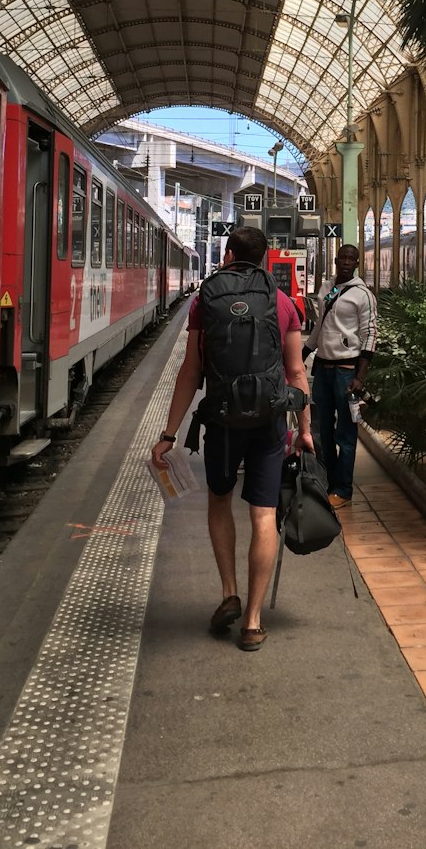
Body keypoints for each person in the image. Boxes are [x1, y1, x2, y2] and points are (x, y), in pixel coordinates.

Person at [150, 226, 313, 653]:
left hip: (222, 423)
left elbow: (191, 370)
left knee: (219, 501)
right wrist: (306, 430)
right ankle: (254, 621)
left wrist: (169, 433)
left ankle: (229, 593)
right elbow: (296, 373)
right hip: (269, 423)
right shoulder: (281, 304)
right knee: (263, 515)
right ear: (264, 258)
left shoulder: (207, 301)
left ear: (226, 255)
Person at [303, 244, 378, 509]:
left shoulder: (363, 295)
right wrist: (301, 355)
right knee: (322, 430)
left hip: (347, 373)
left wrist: (360, 376)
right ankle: (327, 480)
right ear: (336, 260)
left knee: (345, 433)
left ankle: (343, 489)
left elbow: (369, 336)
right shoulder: (326, 288)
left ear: (357, 263)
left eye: (351, 259)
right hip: (322, 369)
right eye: (342, 258)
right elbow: (320, 328)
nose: (346, 262)